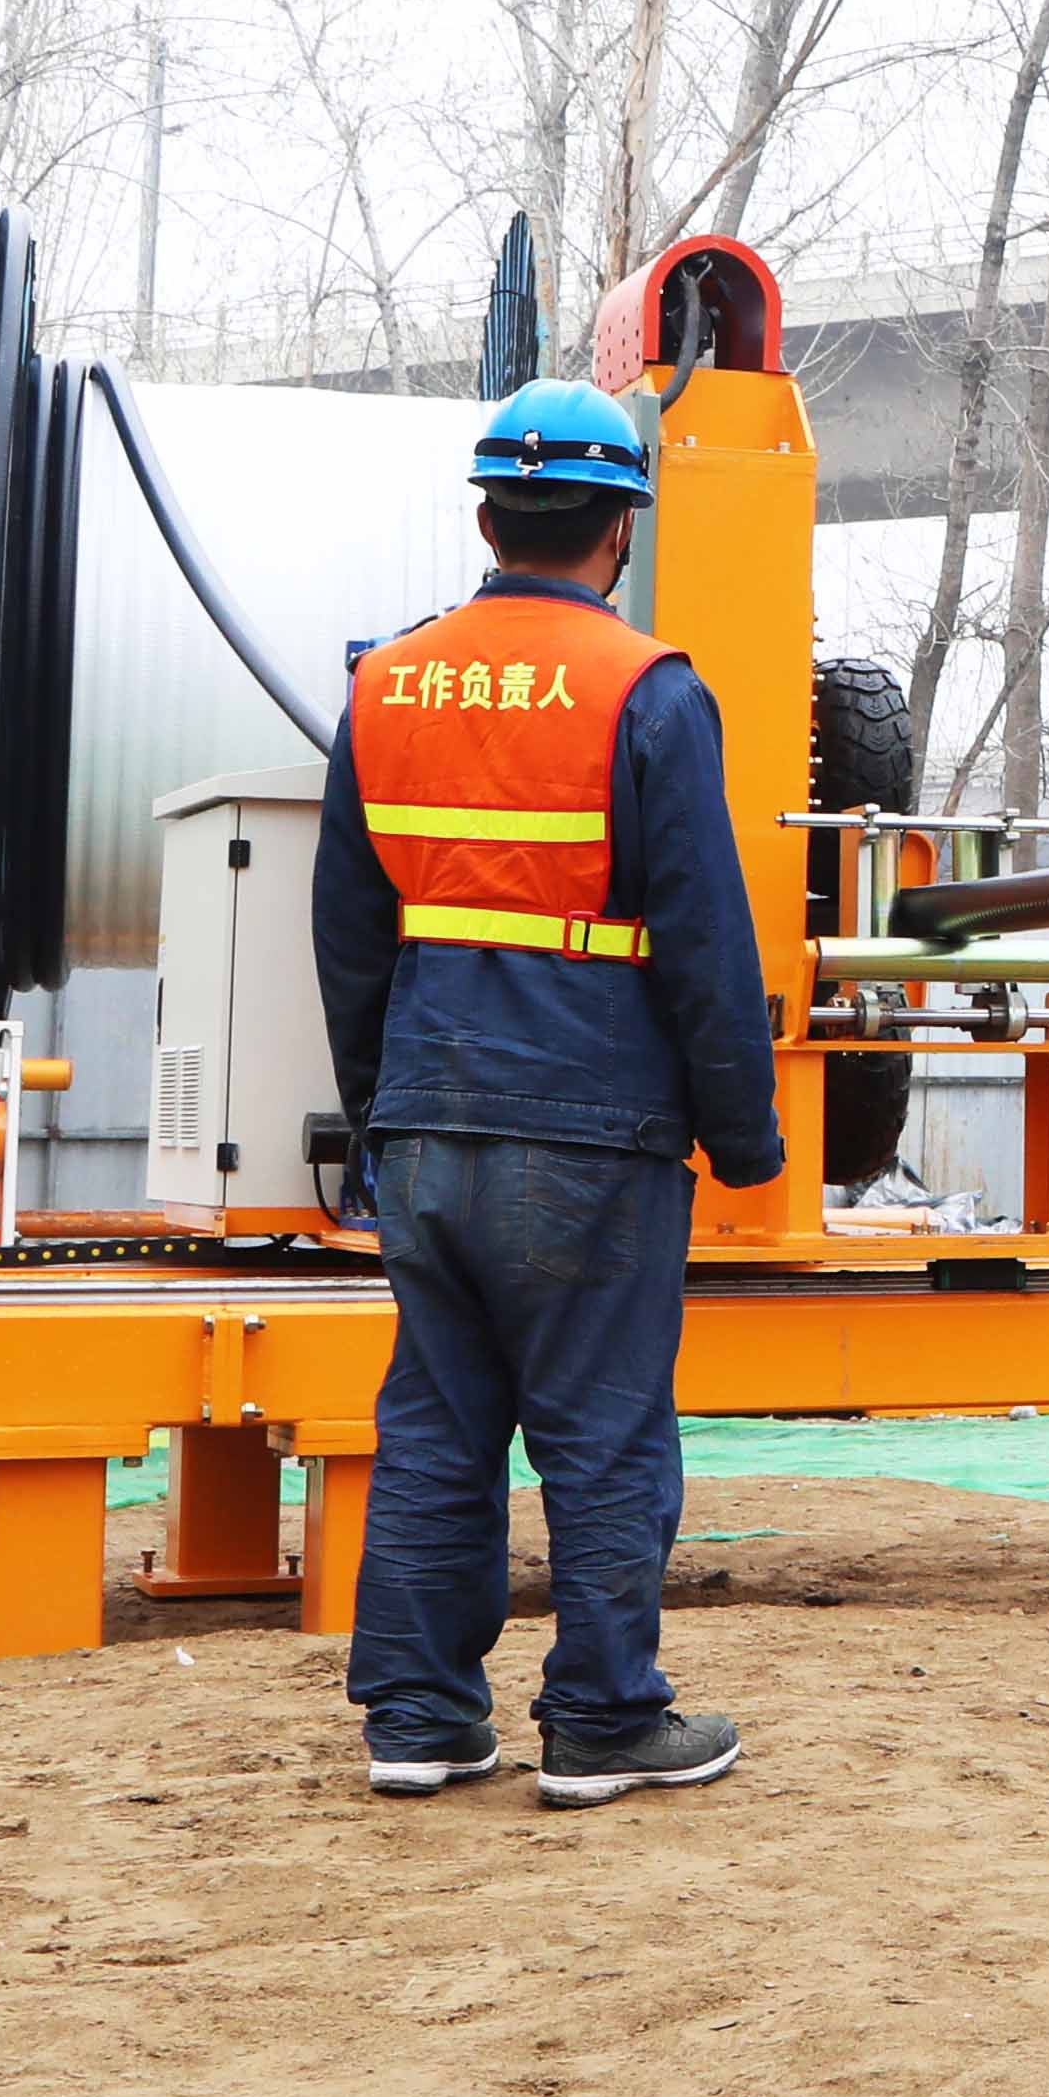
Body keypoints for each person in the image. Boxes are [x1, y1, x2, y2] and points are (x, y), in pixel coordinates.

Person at [313, 380, 784, 1808]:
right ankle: (601, 1719)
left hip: (430, 1111)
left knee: (437, 1426)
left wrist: (383, 1106)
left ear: (485, 515)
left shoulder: (385, 684)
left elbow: (346, 931)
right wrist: (746, 1134)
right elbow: (705, 933)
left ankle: (418, 1719)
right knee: (602, 1426)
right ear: (619, 530)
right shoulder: (649, 693)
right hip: (588, 1122)